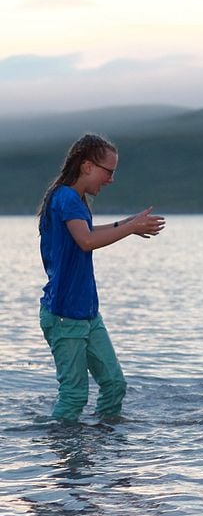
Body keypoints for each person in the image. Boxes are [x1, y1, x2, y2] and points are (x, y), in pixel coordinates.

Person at [37, 133, 166, 422]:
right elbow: (86, 241)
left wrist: (128, 223)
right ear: (87, 166)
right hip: (64, 314)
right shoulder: (66, 197)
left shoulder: (75, 199)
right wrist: (130, 228)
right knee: (74, 396)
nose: (111, 179)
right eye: (109, 171)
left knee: (114, 385)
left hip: (87, 313)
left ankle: (105, 441)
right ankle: (63, 448)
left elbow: (87, 232)